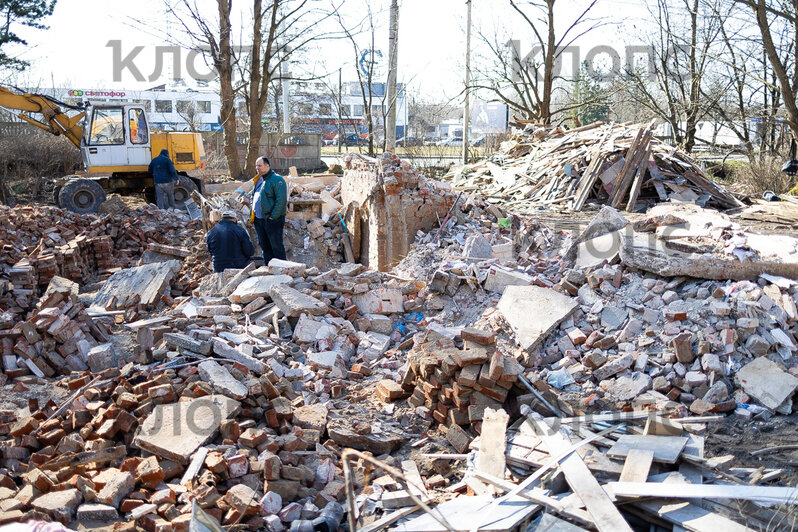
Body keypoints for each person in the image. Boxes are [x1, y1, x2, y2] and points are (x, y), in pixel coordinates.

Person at [249, 156, 287, 264]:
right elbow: (254, 196)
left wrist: (272, 217)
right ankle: (269, 269)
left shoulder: (277, 180)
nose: (257, 168)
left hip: (272, 220)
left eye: (260, 166)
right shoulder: (258, 180)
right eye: (256, 166)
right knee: (265, 247)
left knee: (276, 247)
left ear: (267, 166)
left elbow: (281, 201)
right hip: (259, 220)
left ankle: (282, 270)